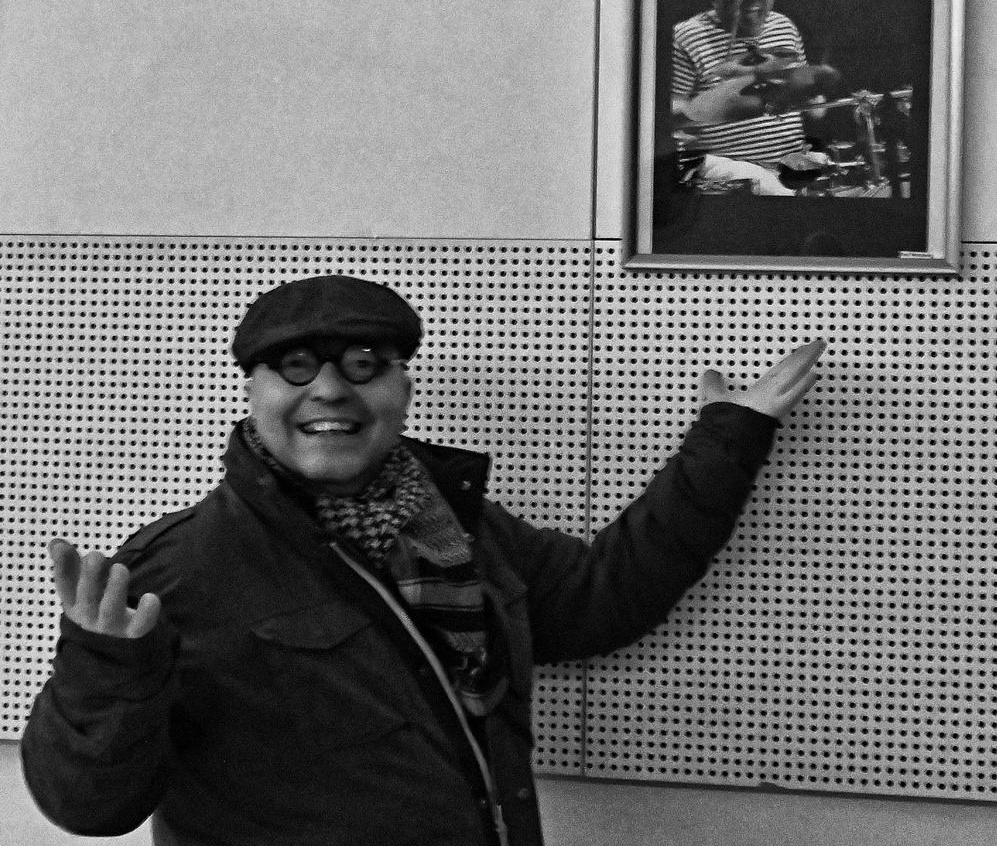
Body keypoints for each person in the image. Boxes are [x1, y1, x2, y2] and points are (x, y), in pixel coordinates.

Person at [20, 274, 826, 846]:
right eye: (295, 366)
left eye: (363, 364)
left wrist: (726, 441)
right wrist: (105, 673)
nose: (329, 390)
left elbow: (600, 599)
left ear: (403, 387)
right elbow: (88, 807)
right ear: (252, 390)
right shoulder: (175, 570)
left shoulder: (460, 530)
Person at [671, 0, 835, 195]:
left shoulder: (783, 26)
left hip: (787, 165)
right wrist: (722, 101)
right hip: (726, 173)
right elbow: (675, 111)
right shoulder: (688, 36)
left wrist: (816, 92)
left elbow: (810, 102)